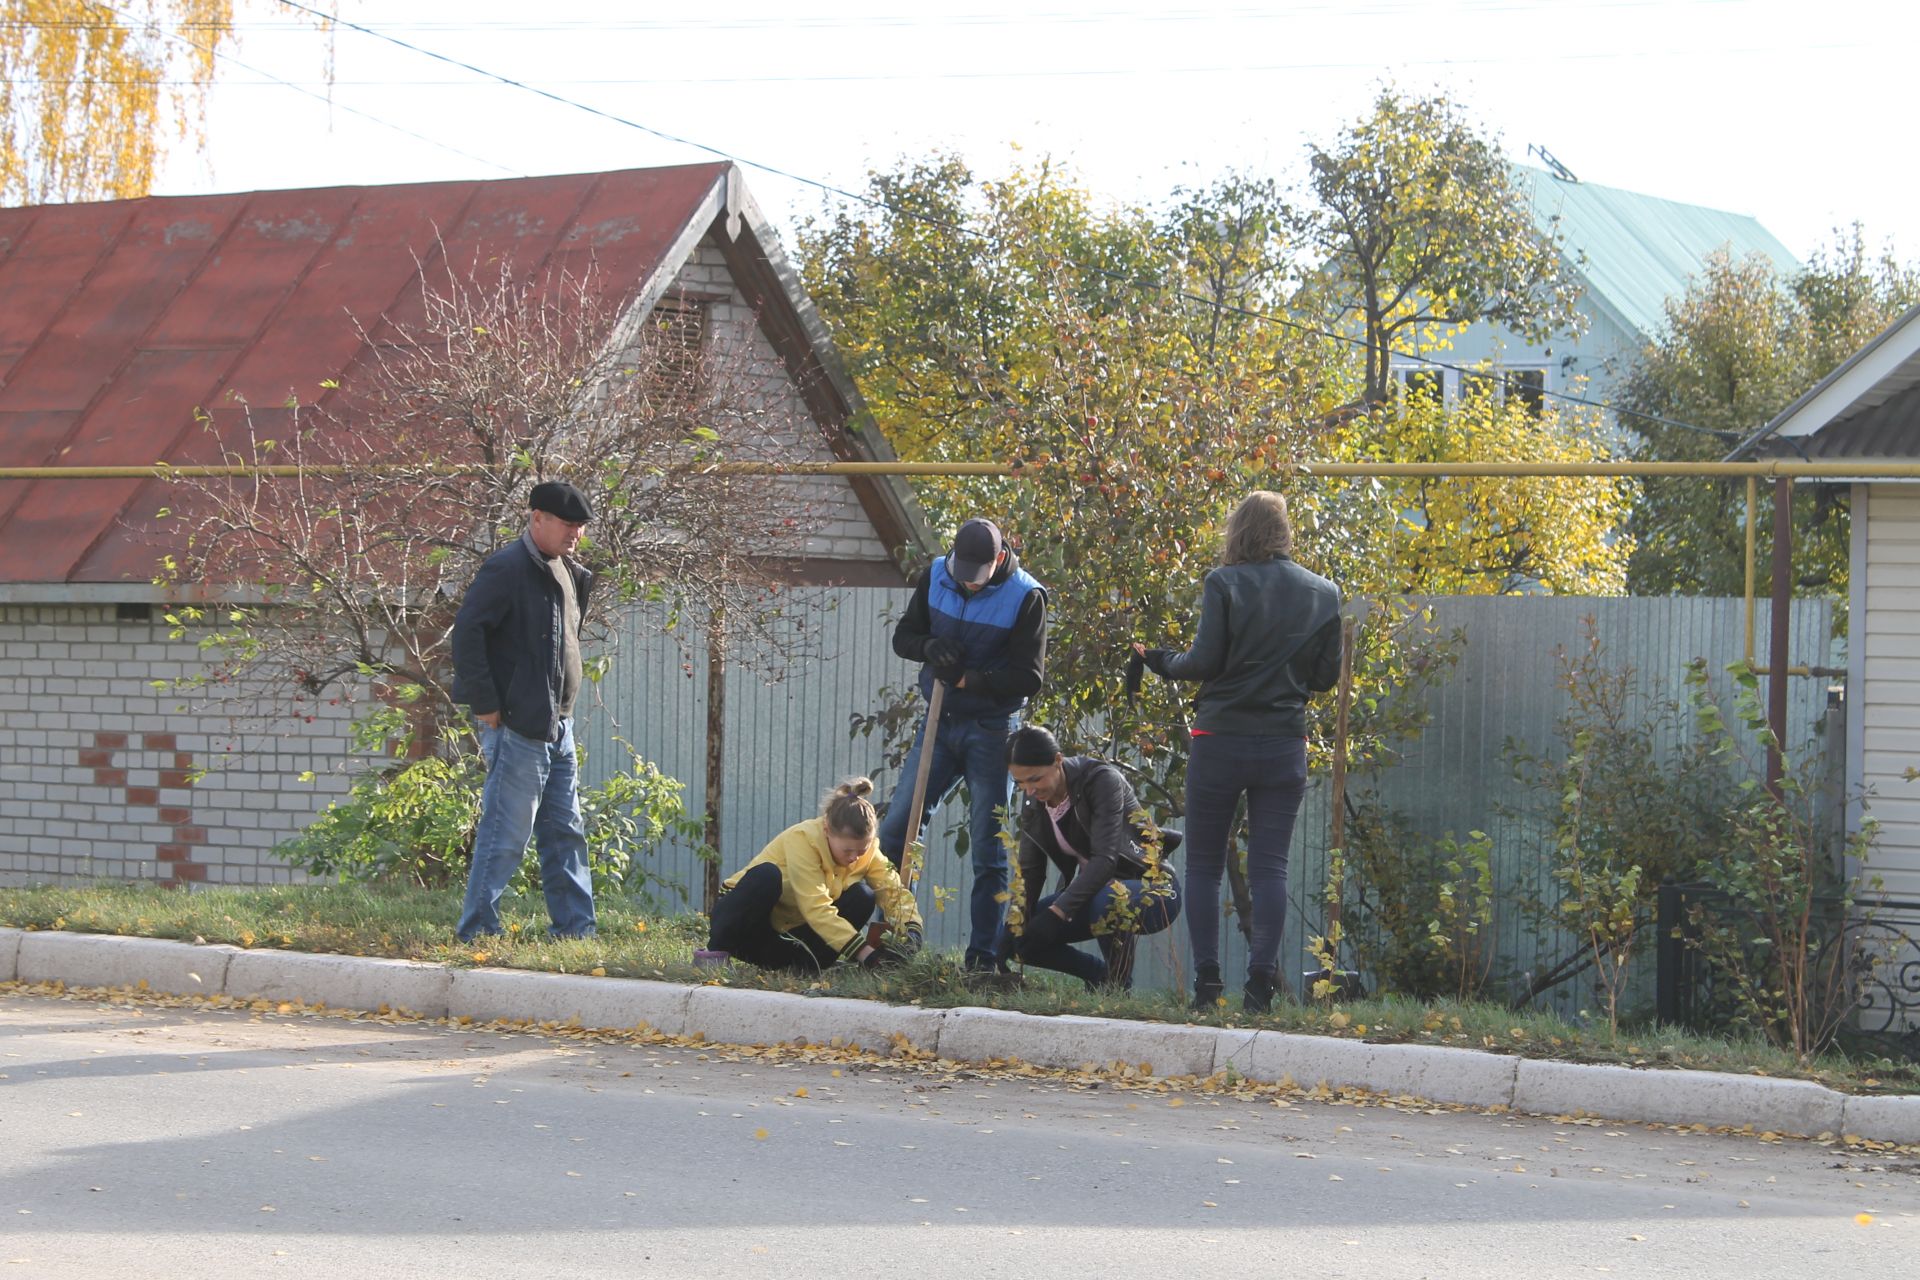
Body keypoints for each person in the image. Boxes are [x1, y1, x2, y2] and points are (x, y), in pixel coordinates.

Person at [1136, 491, 1341, 1012]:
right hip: (1283, 744)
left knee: (1203, 865)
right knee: (1269, 868)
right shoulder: (1324, 593)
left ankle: (1207, 986)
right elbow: (1324, 679)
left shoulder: (1223, 583)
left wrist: (1160, 660)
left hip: (1219, 741)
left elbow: (1203, 661)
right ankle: (1259, 988)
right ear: (1283, 531)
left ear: (1238, 531)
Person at [880, 518, 1048, 972]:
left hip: (993, 730)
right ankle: (897, 941)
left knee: (989, 848)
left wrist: (969, 678)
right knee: (898, 830)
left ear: (999, 559)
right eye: (962, 574)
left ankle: (983, 961)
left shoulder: (1026, 597)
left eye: (977, 576)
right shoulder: (936, 573)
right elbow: (903, 638)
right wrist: (930, 646)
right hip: (938, 722)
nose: (968, 584)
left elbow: (1029, 677)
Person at [450, 480, 599, 943]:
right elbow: (467, 634)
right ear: (537, 518)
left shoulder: (569, 572)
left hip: (559, 726)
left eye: (579, 527)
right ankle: (478, 931)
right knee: (504, 835)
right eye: (567, 524)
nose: (575, 534)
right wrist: (488, 705)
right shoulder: (506, 568)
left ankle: (576, 932)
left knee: (565, 833)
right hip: (517, 725)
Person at [996, 726, 1182, 991]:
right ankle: (1098, 977)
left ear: (1058, 760)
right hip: (1098, 893)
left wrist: (1057, 913)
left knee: (1108, 899)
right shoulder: (1035, 804)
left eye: (1035, 779)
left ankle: (1117, 987)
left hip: (1155, 889)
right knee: (1022, 935)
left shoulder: (1101, 780)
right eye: (1020, 783)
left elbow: (1105, 860)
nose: (1029, 791)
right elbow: (1030, 872)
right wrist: (1013, 927)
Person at [708, 779, 924, 973]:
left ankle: (804, 968)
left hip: (786, 936)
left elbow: (892, 890)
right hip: (745, 927)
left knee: (863, 895)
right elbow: (816, 907)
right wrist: (865, 953)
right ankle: (714, 954)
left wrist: (912, 929)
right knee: (767, 876)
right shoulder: (803, 839)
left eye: (861, 850)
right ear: (827, 830)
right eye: (847, 850)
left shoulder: (868, 852)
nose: (854, 858)